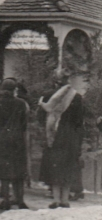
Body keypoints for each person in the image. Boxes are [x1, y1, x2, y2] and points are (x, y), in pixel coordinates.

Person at [38, 70, 84, 209]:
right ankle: (65, 199)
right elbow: (79, 121)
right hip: (70, 135)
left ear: (55, 81)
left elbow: (40, 117)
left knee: (54, 166)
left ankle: (56, 199)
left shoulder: (47, 96)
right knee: (68, 166)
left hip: (53, 135)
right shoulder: (76, 96)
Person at [0, 78, 28, 211]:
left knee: (4, 170)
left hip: (1, 139)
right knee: (18, 169)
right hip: (17, 139)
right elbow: (24, 123)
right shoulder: (21, 103)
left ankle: (5, 200)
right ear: (14, 89)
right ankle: (20, 200)